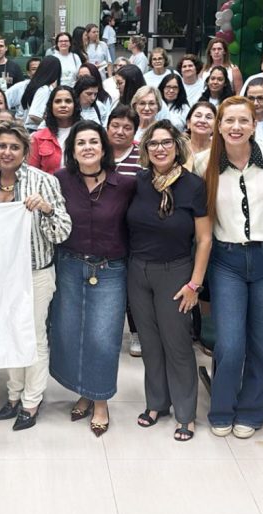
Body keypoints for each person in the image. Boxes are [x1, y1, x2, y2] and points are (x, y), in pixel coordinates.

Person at [194, 96, 263, 439]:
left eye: (243, 121)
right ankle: (221, 408)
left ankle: (252, 409)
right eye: (229, 121)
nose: (236, 127)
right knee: (230, 344)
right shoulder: (203, 162)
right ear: (219, 126)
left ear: (254, 124)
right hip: (227, 261)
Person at [50, 120, 136, 437]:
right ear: (72, 150)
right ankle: (85, 391)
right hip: (69, 266)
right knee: (71, 333)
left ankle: (101, 401)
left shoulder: (124, 184)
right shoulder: (59, 180)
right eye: (81, 142)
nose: (87, 147)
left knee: (103, 337)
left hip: (110, 269)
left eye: (93, 142)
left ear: (104, 148)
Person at [128, 120, 211, 440]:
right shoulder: (138, 182)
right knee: (149, 343)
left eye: (166, 143)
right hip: (138, 271)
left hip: (176, 272)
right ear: (145, 150)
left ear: (177, 147)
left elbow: (204, 240)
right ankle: (156, 403)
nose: (159, 148)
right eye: (153, 143)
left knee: (176, 344)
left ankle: (186, 414)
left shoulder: (193, 185)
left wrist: (195, 285)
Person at [0, 121, 72, 430]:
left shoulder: (43, 181)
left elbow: (63, 231)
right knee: (9, 335)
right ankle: (13, 395)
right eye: (1, 146)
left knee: (34, 337)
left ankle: (31, 401)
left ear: (25, 150)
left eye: (14, 147)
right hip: (1, 277)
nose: (7, 152)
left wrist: (47, 210)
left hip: (36, 272)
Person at [107, 105, 144, 356]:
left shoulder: (142, 156)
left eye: (127, 127)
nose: (120, 131)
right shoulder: (97, 151)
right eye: (115, 126)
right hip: (102, 229)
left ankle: (136, 333)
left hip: (133, 232)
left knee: (133, 285)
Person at [28, 85, 80, 174]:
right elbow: (32, 173)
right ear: (51, 106)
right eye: (58, 101)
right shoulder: (38, 138)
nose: (63, 105)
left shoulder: (85, 133)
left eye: (68, 101)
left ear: (75, 105)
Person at [22, 56, 62, 130]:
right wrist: (51, 124)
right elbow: (34, 115)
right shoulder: (44, 90)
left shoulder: (36, 86)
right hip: (36, 130)